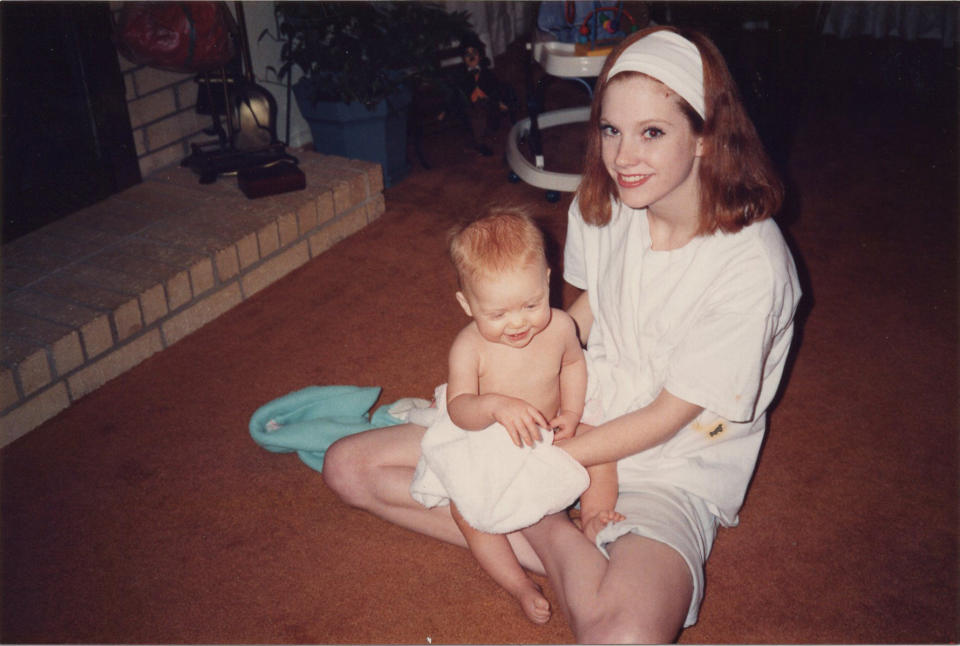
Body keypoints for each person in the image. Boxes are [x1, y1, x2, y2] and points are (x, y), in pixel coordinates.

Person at [323, 25, 801, 643]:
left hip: (673, 459)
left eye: (652, 132)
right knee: (348, 469)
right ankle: (551, 530)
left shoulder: (752, 266)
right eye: (610, 129)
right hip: (570, 412)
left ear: (707, 133)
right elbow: (590, 308)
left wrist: (539, 468)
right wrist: (504, 369)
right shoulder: (605, 205)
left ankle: (541, 529)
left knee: (621, 635)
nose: (624, 157)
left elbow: (668, 415)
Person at [410, 207, 621, 624]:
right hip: (488, 437)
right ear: (467, 305)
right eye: (498, 314)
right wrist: (494, 406)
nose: (518, 323)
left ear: (547, 281)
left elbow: (573, 366)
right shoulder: (468, 347)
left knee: (604, 448)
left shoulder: (560, 326)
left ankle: (595, 517)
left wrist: (572, 412)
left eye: (530, 304)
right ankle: (517, 583)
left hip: (545, 431)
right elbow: (460, 409)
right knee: (467, 511)